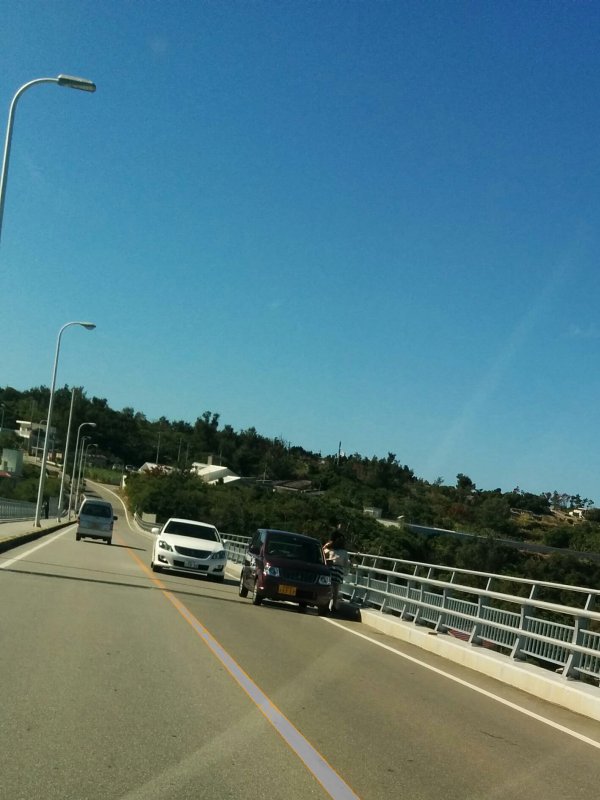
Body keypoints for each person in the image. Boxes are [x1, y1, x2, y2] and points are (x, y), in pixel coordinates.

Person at [323, 529, 350, 612]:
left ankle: (329, 604)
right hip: (337, 570)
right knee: (335, 589)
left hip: (331, 569)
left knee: (330, 589)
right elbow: (346, 563)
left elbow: (322, 552)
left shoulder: (330, 550)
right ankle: (333, 605)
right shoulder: (343, 552)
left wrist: (326, 545)